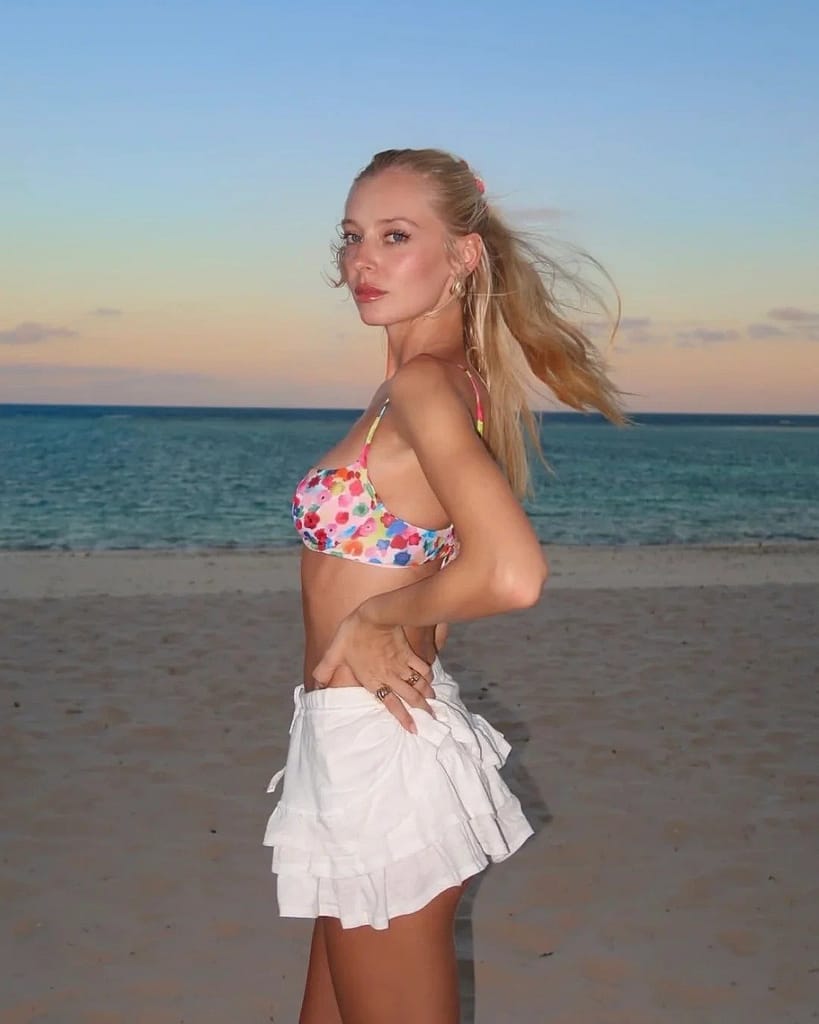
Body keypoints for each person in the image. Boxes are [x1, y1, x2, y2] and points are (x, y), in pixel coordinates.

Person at [264, 147, 624, 1024]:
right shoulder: (422, 388)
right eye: (353, 236)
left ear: (462, 255)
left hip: (374, 748)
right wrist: (406, 620)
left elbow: (510, 573)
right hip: (353, 734)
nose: (362, 260)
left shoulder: (425, 386)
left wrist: (380, 617)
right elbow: (435, 557)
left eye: (395, 236)